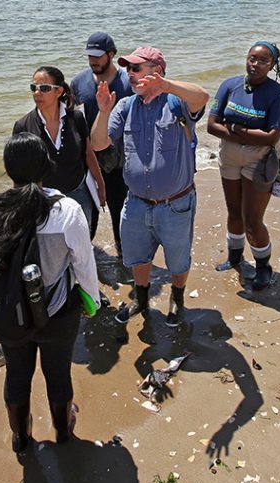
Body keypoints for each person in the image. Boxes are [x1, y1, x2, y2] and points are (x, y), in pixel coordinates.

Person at [0, 133, 100, 453]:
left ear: (7, 170)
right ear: (47, 166)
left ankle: (21, 438)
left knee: (17, 375)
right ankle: (63, 432)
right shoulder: (67, 210)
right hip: (58, 311)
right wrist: (92, 302)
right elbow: (84, 266)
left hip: (10, 312)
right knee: (58, 373)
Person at [90, 46, 210, 327]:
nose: (129, 74)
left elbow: (203, 96)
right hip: (136, 203)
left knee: (178, 261)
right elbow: (98, 144)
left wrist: (166, 85)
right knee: (138, 259)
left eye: (136, 68)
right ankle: (141, 300)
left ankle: (177, 300)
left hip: (175, 204)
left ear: (156, 71)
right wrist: (103, 111)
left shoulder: (176, 103)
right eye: (128, 69)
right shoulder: (126, 106)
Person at [206, 41, 280, 291]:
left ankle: (263, 266)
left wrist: (232, 127)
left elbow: (271, 137)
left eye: (263, 60)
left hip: (260, 159)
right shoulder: (229, 85)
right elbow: (211, 125)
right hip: (230, 155)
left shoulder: (279, 93)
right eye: (252, 58)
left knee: (253, 220)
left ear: (272, 65)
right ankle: (235, 257)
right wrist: (248, 132)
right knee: (233, 212)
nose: (255, 64)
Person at [14, 66, 106, 234]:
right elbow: (19, 172)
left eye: (44, 88)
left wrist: (101, 186)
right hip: (43, 200)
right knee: (51, 248)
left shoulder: (76, 119)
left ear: (59, 91)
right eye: (33, 88)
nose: (37, 93)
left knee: (83, 239)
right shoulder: (23, 126)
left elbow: (88, 154)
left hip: (78, 193)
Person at [70, 32, 135, 253]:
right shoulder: (79, 82)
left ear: (111, 54)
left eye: (98, 56)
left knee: (120, 209)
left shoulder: (128, 82)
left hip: (120, 158)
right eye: (90, 56)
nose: (93, 61)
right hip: (89, 157)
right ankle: (84, 252)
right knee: (87, 210)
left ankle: (123, 254)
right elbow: (69, 114)